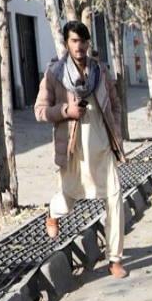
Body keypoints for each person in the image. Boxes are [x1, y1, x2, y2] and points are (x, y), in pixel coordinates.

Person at [35, 20, 128, 279]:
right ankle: (52, 213)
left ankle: (115, 259)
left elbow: (115, 102)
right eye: (74, 41)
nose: (79, 46)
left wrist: (116, 131)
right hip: (75, 150)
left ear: (88, 43)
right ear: (67, 43)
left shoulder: (100, 70)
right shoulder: (55, 74)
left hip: (104, 149)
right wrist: (67, 111)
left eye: (83, 41)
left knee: (115, 200)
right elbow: (40, 111)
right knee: (68, 198)